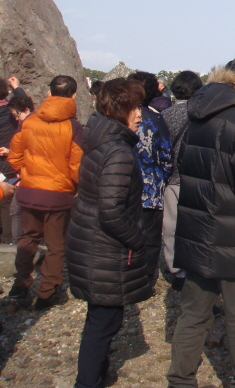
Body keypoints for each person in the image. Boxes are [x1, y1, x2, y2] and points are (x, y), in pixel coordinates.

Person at [167, 45, 235, 388]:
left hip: (197, 226)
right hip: (234, 233)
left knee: (193, 312)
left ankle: (180, 380)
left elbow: (183, 164)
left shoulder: (200, 109)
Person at [66, 78, 151, 388]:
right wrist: (138, 240)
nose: (139, 114)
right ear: (119, 109)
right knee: (104, 321)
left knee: (99, 317)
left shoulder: (99, 137)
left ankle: (97, 373)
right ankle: (88, 381)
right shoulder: (118, 151)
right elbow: (112, 211)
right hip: (104, 247)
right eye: (135, 107)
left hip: (89, 240)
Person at [7, 75, 83, 309]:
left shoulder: (29, 121)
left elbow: (14, 156)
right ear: (73, 95)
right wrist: (75, 186)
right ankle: (47, 292)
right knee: (56, 244)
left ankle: (20, 285)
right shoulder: (73, 126)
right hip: (58, 193)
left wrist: (27, 172)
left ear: (49, 93)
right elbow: (77, 166)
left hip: (29, 190)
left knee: (27, 238)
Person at [128, 71, 173, 285]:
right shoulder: (155, 120)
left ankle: (127, 275)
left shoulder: (118, 117)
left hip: (124, 186)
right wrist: (163, 177)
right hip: (151, 188)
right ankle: (146, 279)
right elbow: (166, 155)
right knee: (151, 238)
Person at [161, 70, 203, 292]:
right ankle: (196, 264)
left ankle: (176, 269)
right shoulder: (202, 114)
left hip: (172, 176)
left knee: (171, 225)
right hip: (198, 175)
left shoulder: (165, 115)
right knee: (196, 225)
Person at [1, 93, 36, 244]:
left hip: (28, 175)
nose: (16, 118)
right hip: (24, 174)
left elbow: (31, 152)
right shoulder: (27, 124)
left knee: (16, 211)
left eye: (17, 114)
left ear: (26, 110)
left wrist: (11, 154)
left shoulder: (30, 126)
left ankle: (16, 244)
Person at [0, 77, 27, 244]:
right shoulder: (10, 113)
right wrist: (16, 87)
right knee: (7, 202)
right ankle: (8, 239)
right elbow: (24, 103)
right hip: (9, 162)